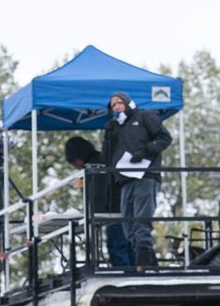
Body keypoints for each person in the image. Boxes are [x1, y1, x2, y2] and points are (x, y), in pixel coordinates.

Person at [101, 91, 172, 267]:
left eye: (118, 103)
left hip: (145, 176)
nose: (116, 106)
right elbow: (106, 158)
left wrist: (145, 151)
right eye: (113, 105)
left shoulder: (145, 116)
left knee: (142, 221)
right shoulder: (115, 127)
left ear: (127, 102)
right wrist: (108, 136)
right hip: (125, 180)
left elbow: (165, 138)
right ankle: (149, 265)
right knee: (128, 227)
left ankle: (143, 267)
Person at [64, 136, 132, 267]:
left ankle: (126, 279)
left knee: (118, 247)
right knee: (128, 246)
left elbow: (98, 192)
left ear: (79, 156)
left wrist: (93, 215)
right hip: (124, 209)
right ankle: (136, 275)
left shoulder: (95, 164)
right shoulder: (102, 160)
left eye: (74, 162)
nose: (75, 166)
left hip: (115, 212)